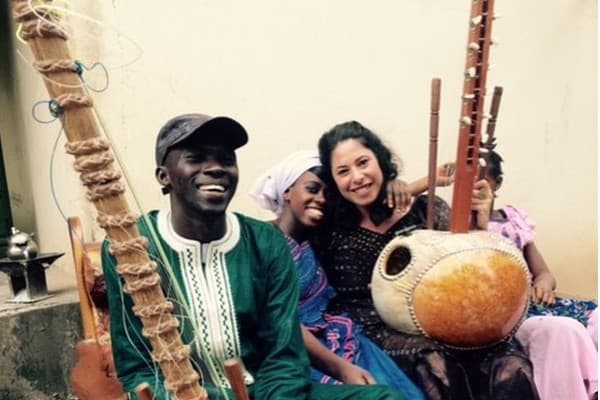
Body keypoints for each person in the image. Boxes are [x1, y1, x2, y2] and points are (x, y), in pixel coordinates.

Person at [102, 114, 405, 400]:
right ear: (164, 176)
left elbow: (284, 356)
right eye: (195, 158)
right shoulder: (132, 244)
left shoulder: (265, 242)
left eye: (226, 159)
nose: (217, 168)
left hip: (265, 391)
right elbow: (136, 365)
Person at [316, 120, 540, 400]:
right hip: (377, 329)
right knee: (434, 360)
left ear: (381, 160)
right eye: (343, 171)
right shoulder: (329, 229)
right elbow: (285, 218)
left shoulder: (426, 210)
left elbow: (471, 265)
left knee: (511, 365)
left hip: (443, 320)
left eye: (363, 162)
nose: (357, 176)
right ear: (334, 181)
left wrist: (481, 224)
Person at [249, 150, 425, 399]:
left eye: (328, 194)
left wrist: (399, 185)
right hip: (295, 350)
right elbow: (278, 318)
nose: (321, 198)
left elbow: (372, 203)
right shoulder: (261, 240)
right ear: (287, 191)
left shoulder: (319, 237)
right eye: (312, 189)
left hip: (342, 336)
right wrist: (340, 368)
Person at [484, 149, 598, 400]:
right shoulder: (455, 224)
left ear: (497, 183)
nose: (473, 188)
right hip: (507, 316)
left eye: (483, 180)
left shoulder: (512, 221)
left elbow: (544, 272)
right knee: (565, 330)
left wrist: (544, 284)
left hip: (537, 304)